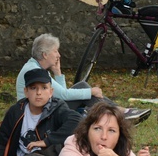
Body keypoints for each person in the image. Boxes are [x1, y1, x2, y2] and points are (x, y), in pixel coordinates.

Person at [16, 33, 150, 122]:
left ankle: (120, 112)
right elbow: (63, 95)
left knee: (81, 89)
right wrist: (90, 91)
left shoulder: (35, 67)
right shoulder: (34, 71)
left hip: (41, 110)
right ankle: (121, 112)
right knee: (83, 88)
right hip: (37, 115)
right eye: (55, 51)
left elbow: (60, 96)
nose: (59, 55)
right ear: (45, 55)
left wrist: (58, 73)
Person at [0, 68, 81, 156]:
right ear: (26, 92)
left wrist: (47, 141)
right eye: (33, 88)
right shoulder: (16, 111)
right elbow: (3, 141)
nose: (38, 93)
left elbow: (77, 121)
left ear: (51, 92)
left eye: (44, 88)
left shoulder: (57, 109)